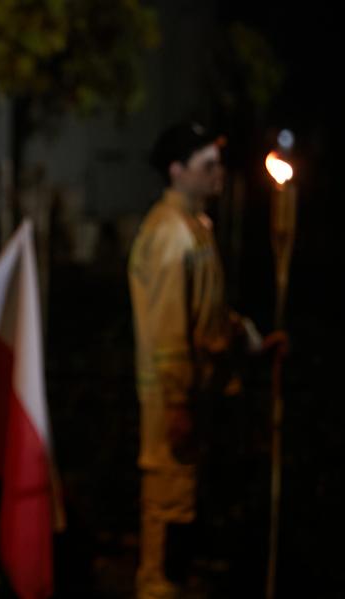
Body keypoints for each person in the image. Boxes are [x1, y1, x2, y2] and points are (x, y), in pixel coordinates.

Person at [128, 122, 282, 598]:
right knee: (170, 512)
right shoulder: (171, 234)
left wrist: (252, 341)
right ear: (177, 170)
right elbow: (169, 329)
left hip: (197, 397)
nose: (219, 173)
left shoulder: (196, 228)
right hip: (173, 403)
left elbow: (209, 313)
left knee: (187, 512)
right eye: (207, 165)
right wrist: (177, 402)